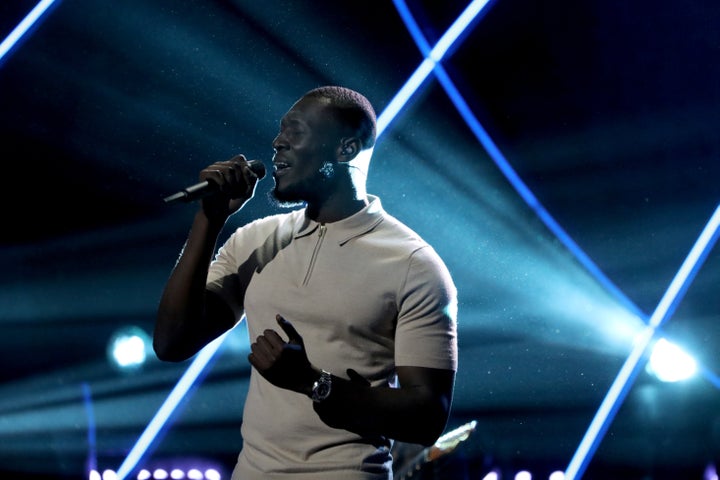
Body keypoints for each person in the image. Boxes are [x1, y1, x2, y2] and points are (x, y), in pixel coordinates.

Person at [153, 85, 458, 480]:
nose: (277, 143)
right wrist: (209, 220)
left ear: (345, 150)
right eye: (281, 131)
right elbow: (172, 342)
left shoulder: (413, 263)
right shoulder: (255, 240)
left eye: (295, 132)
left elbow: (427, 416)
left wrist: (312, 381)